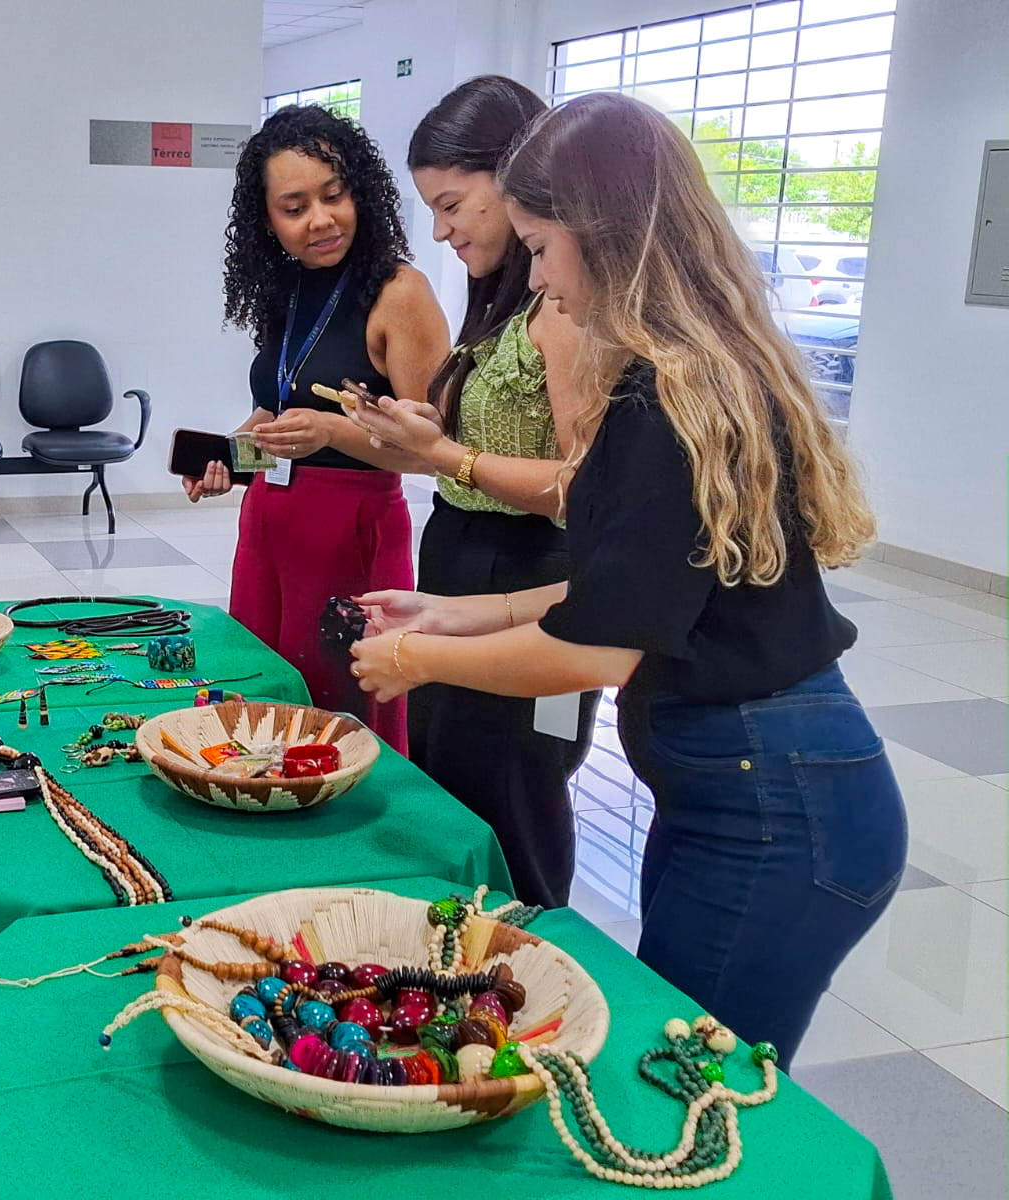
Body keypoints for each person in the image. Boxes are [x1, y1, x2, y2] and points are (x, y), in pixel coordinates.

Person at [348, 93, 906, 1068]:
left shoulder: (666, 396)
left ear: (606, 238)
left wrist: (414, 654)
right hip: (738, 786)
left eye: (543, 245)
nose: (540, 276)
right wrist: (458, 610)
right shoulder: (677, 376)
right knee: (678, 1058)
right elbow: (623, 590)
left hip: (777, 804)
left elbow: (597, 648)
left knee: (684, 1075)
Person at [346, 76, 598, 908]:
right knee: (460, 784)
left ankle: (534, 962)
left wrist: (449, 457)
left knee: (517, 796)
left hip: (526, 571)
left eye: (454, 205)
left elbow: (581, 489)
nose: (443, 231)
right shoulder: (501, 300)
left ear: (518, 180)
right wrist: (412, 439)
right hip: (468, 562)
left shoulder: (561, 308)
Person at [184, 104, 449, 753]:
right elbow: (280, 414)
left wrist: (332, 433)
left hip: (349, 535)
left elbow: (432, 455)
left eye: (334, 197)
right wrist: (229, 456)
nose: (320, 221)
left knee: (340, 718)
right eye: (295, 207)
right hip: (270, 524)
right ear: (267, 220)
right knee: (264, 698)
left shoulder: (401, 293)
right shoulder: (290, 289)